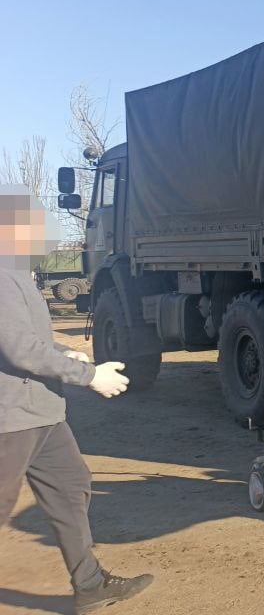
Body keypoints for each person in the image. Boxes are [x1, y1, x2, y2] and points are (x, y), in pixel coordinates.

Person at [0, 188, 154, 614]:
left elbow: (28, 342)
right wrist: (89, 376)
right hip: (9, 418)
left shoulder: (16, 273)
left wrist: (63, 353)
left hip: (43, 413)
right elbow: (18, 350)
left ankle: (89, 585)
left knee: (71, 486)